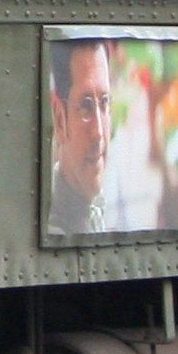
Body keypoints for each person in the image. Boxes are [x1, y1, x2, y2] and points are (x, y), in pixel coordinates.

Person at [46, 38, 118, 240]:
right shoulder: (53, 231)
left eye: (104, 104)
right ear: (60, 120)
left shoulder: (98, 207)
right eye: (85, 106)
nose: (99, 133)